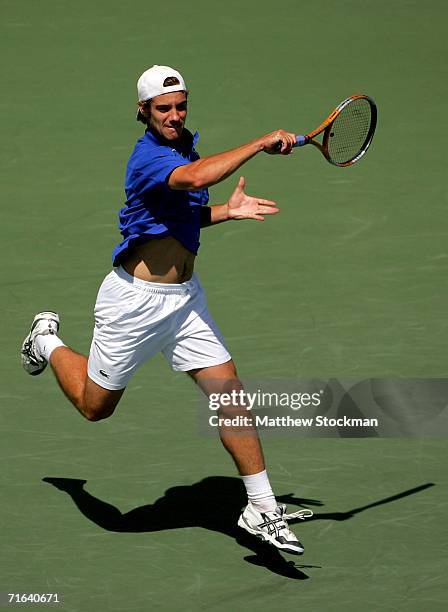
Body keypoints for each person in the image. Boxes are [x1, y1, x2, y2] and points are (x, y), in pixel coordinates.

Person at [21, 65, 313, 555]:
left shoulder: (182, 146)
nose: (174, 115)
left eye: (180, 106)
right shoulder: (149, 156)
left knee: (230, 394)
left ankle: (261, 506)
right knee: (96, 408)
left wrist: (226, 211)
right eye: (163, 109)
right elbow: (196, 178)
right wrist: (262, 141)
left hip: (184, 302)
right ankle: (46, 341)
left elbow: (181, 213)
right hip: (133, 305)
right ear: (143, 111)